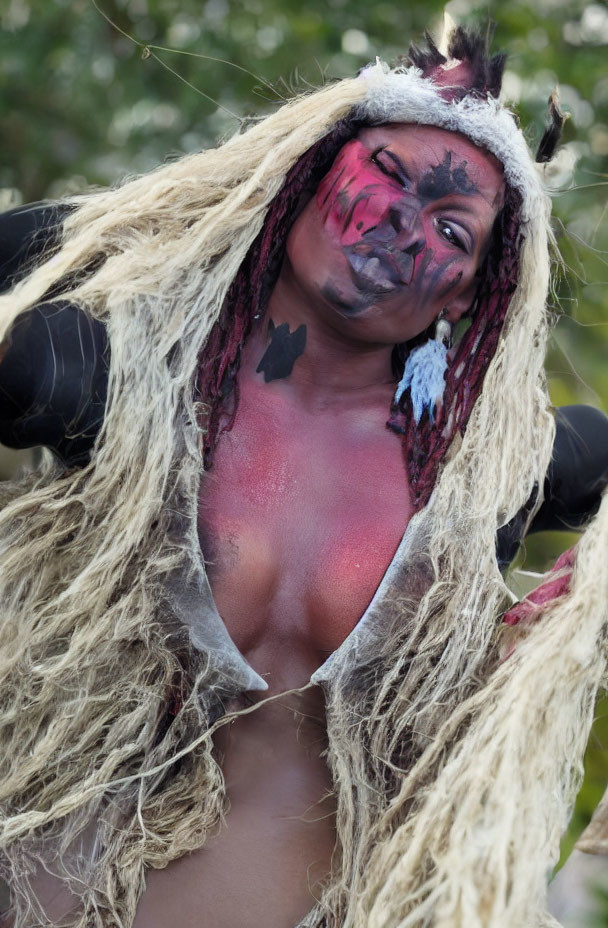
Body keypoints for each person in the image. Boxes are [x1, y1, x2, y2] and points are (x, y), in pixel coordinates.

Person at [0, 24, 606, 928]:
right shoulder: (111, 370)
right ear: (307, 174)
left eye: (450, 227)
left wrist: (560, 626)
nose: (403, 220)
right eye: (388, 175)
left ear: (470, 293)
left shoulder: (494, 478)